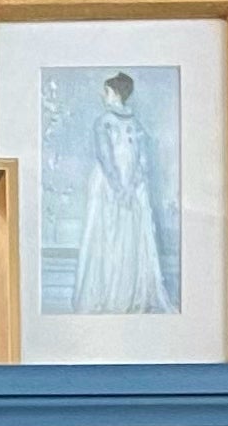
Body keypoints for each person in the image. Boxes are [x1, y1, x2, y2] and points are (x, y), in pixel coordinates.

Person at [71, 71, 173, 312]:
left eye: (106, 91)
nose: (102, 95)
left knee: (127, 237)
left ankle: (124, 294)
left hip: (128, 186)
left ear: (116, 93)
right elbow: (106, 158)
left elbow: (139, 161)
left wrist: (128, 188)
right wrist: (120, 188)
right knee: (109, 235)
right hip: (109, 185)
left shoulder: (125, 124)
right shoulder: (110, 123)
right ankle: (109, 294)